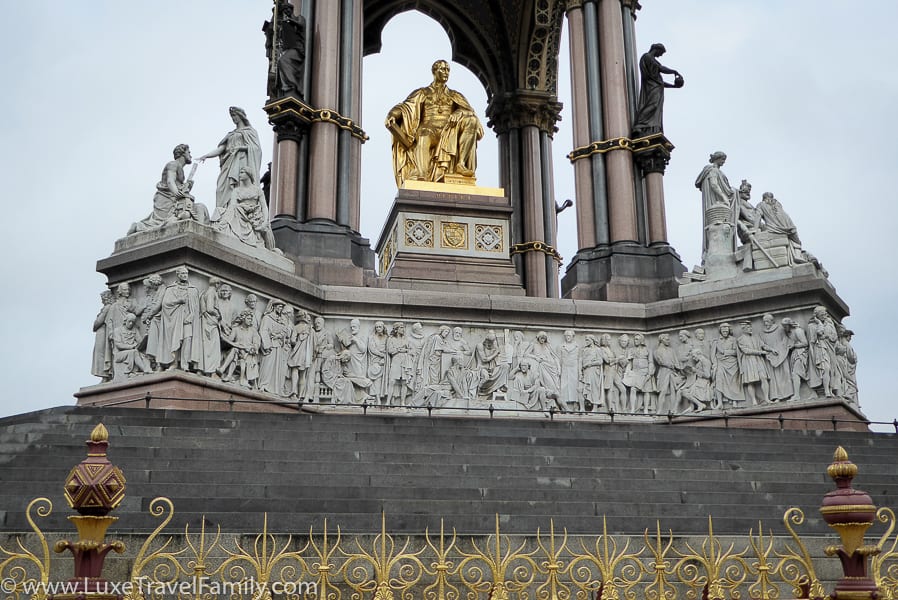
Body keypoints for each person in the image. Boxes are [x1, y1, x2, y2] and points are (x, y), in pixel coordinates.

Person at [385, 60, 484, 186]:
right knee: (424, 135)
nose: (446, 72)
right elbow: (405, 107)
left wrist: (459, 113)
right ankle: (421, 174)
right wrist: (392, 115)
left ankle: (461, 164)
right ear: (434, 72)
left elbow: (470, 113)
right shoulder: (423, 92)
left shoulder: (455, 95)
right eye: (442, 69)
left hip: (449, 132)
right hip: (429, 129)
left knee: (471, 120)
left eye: (448, 70)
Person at [129, 144, 209, 234]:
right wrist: (176, 193)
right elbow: (170, 181)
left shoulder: (181, 170)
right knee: (160, 223)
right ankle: (138, 226)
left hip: (175, 199)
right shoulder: (173, 164)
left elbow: (178, 187)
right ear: (182, 153)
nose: (190, 155)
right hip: (165, 199)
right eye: (189, 152)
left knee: (199, 208)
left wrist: (187, 187)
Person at [198, 107, 263, 209]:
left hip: (241, 162)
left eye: (234, 115)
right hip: (229, 163)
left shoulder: (250, 131)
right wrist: (207, 155)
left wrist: (240, 148)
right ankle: (222, 211)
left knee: (237, 186)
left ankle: (236, 210)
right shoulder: (230, 134)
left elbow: (256, 149)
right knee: (221, 188)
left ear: (240, 116)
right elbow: (221, 149)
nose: (233, 118)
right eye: (232, 116)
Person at [214, 167, 278, 251]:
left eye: (242, 172)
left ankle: (271, 248)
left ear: (248, 174)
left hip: (254, 215)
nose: (239, 175)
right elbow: (232, 205)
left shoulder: (258, 190)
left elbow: (264, 207)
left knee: (266, 228)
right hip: (240, 213)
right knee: (220, 210)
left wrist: (265, 221)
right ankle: (223, 228)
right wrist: (224, 220)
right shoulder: (236, 191)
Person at [153, 267, 201, 371]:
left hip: (188, 320)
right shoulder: (171, 288)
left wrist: (191, 316)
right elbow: (165, 304)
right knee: (175, 341)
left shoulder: (193, 290)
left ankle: (185, 364)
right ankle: (174, 363)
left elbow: (197, 308)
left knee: (187, 340)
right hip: (174, 320)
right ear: (178, 275)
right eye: (182, 273)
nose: (185, 275)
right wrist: (178, 301)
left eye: (186, 273)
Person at [631, 43, 683, 138]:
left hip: (657, 87)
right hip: (651, 87)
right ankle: (639, 125)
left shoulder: (653, 61)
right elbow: (661, 68)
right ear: (656, 49)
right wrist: (673, 71)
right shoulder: (647, 57)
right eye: (661, 52)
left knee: (656, 108)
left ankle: (649, 128)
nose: (661, 55)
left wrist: (673, 86)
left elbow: (661, 82)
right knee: (652, 105)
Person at [695, 151, 736, 259]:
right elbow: (714, 185)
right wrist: (724, 197)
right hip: (716, 203)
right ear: (717, 159)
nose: (723, 162)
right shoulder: (712, 170)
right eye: (722, 159)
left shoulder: (716, 170)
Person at [258, 299, 292, 396]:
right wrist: (267, 345)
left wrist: (280, 336)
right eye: (279, 306)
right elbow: (263, 331)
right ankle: (264, 384)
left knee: (278, 368)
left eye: (282, 307)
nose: (281, 308)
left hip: (279, 346)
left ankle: (275, 388)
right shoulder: (267, 318)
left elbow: (285, 333)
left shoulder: (282, 320)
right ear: (273, 306)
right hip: (271, 345)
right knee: (267, 365)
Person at [111, 313, 152, 381]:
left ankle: (148, 369)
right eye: (129, 321)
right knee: (134, 352)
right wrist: (132, 346)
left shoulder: (135, 330)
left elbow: (140, 341)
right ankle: (145, 369)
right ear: (125, 321)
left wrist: (146, 335)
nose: (131, 324)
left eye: (132, 322)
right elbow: (119, 345)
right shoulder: (117, 330)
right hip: (119, 355)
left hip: (132, 352)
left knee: (143, 356)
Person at [91, 290, 115, 382]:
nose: (102, 301)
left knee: (102, 353)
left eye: (103, 299)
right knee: (103, 353)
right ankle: (105, 376)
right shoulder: (107, 307)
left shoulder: (107, 307)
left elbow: (97, 323)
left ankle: (105, 376)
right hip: (102, 332)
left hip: (103, 333)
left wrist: (95, 323)